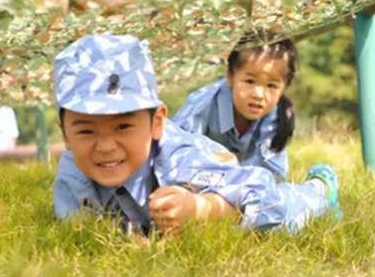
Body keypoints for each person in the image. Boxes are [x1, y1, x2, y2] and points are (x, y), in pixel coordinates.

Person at [53, 34, 341, 235]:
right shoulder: (72, 171)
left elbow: (262, 192)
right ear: (65, 133)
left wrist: (203, 208)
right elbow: (81, 231)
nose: (105, 146)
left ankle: (318, 190)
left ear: (156, 123)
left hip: (216, 171)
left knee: (282, 211)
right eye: (86, 129)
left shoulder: (179, 159)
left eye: (123, 126)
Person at [173, 34, 297, 180]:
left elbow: (273, 176)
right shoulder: (202, 104)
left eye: (271, 86)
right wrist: (212, 156)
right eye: (250, 81)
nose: (258, 94)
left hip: (240, 186)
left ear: (284, 87)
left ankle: (321, 185)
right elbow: (173, 153)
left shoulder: (278, 116)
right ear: (230, 76)